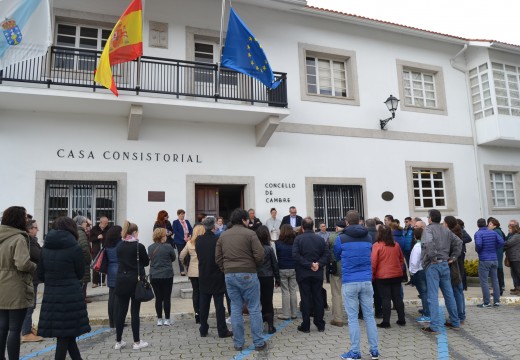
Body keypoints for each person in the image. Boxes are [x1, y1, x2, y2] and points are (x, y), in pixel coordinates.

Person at [37, 216, 91, 360]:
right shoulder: (75, 247)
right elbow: (80, 273)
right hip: (71, 295)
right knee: (65, 335)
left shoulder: (45, 248)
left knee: (67, 335)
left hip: (51, 295)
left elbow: (40, 274)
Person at [215, 208, 266, 352]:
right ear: (244, 220)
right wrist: (253, 265)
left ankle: (238, 344)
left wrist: (225, 269)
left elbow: (218, 258)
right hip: (248, 273)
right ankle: (259, 343)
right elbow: (260, 254)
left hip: (230, 274)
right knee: (254, 308)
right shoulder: (250, 234)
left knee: (236, 308)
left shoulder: (223, 235)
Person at [334, 210, 379, 360]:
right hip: (366, 280)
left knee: (353, 318)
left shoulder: (341, 238)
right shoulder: (368, 237)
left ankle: (355, 352)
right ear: (360, 221)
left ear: (346, 222)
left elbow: (336, 255)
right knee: (369, 316)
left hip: (350, 281)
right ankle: (374, 351)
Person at [0, 206, 37, 360]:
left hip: (1, 287)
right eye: (24, 217)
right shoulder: (19, 238)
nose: (26, 220)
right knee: (15, 329)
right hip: (15, 287)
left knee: (2, 327)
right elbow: (22, 263)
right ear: (17, 219)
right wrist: (34, 266)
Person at [421, 209, 462, 334]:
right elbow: (459, 242)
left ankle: (434, 326)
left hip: (433, 265)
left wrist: (433, 257)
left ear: (430, 218)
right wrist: (453, 257)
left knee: (432, 296)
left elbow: (428, 243)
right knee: (449, 294)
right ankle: (455, 322)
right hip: (445, 264)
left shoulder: (428, 229)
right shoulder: (446, 230)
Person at [114, 221, 150, 350]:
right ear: (134, 232)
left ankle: (118, 341)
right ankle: (136, 342)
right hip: (135, 281)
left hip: (121, 280)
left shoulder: (120, 245)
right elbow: (145, 262)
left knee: (121, 311)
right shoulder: (138, 246)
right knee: (135, 312)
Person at [195, 217, 232, 338]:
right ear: (213, 227)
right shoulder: (217, 239)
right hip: (217, 275)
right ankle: (222, 330)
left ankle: (203, 329)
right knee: (219, 306)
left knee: (204, 305)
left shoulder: (198, 240)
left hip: (204, 275)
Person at [293, 216, 329, 333]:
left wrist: (310, 264)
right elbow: (326, 255)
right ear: (313, 227)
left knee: (305, 298)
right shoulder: (320, 239)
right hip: (317, 273)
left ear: (302, 227)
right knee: (318, 298)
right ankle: (320, 324)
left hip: (304, 274)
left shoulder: (298, 239)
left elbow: (296, 256)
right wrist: (317, 264)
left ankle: (306, 325)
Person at [371, 225, 406, 328]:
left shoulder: (377, 245)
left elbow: (373, 262)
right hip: (396, 275)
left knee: (385, 298)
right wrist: (398, 268)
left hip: (382, 276)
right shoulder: (396, 245)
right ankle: (402, 319)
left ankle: (386, 321)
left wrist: (372, 275)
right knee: (397, 298)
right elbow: (401, 259)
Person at [148, 228, 176, 326]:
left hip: (154, 275)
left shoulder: (150, 247)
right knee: (167, 298)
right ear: (162, 236)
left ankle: (159, 319)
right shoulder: (168, 247)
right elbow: (173, 258)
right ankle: (167, 319)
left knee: (158, 298)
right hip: (167, 275)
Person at [256, 225, 280, 334]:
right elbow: (275, 264)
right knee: (268, 300)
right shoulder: (269, 249)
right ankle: (270, 325)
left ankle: (259, 324)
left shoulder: (255, 249)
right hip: (268, 277)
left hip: (257, 277)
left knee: (258, 301)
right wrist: (277, 279)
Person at [475, 218, 504, 308]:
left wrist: (478, 251)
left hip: (484, 259)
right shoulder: (493, 232)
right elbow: (502, 242)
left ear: (477, 225)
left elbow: (479, 245)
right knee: (495, 280)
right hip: (494, 259)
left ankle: (487, 302)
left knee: (484, 282)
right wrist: (494, 248)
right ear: (486, 224)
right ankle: (496, 301)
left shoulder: (478, 233)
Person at [180, 225, 204, 324]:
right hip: (203, 271)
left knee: (195, 292)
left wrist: (186, 266)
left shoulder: (189, 243)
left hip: (193, 271)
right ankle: (203, 312)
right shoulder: (204, 242)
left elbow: (181, 256)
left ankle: (197, 313)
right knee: (203, 293)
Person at [444, 216, 466, 323]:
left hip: (453, 267)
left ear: (447, 224)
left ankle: (459, 315)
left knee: (456, 291)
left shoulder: (451, 236)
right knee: (459, 291)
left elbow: (457, 247)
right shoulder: (457, 232)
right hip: (458, 265)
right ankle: (461, 314)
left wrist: (452, 258)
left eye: (444, 223)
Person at [275, 224, 298, 320]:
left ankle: (286, 314)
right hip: (293, 268)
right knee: (293, 291)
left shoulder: (278, 243)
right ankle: (294, 313)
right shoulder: (295, 242)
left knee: (285, 292)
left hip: (282, 268)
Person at [409, 226, 430, 323]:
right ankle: (427, 310)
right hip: (427, 270)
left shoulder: (417, 247)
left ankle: (427, 314)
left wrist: (412, 273)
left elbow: (414, 261)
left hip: (419, 271)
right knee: (427, 292)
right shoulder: (427, 244)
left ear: (414, 236)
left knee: (423, 293)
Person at [328, 220, 346, 327]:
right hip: (349, 268)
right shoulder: (350, 236)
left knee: (336, 294)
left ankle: (338, 318)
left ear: (336, 228)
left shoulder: (332, 237)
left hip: (336, 269)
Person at [104, 225, 123, 329]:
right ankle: (117, 321)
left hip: (110, 270)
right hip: (119, 270)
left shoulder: (107, 244)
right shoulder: (120, 244)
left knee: (111, 297)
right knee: (118, 298)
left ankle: (112, 322)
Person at [73, 216, 92, 303]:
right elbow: (85, 249)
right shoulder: (81, 233)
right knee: (83, 281)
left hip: (78, 261)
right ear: (81, 223)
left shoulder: (75, 232)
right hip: (83, 262)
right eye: (85, 222)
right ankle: (81, 298)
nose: (86, 224)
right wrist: (89, 260)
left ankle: (82, 297)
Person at [89, 216, 111, 287]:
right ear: (101, 222)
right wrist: (97, 237)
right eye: (105, 223)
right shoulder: (94, 229)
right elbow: (90, 239)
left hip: (105, 248)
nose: (106, 224)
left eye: (107, 223)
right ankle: (95, 282)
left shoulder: (109, 228)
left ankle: (103, 280)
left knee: (104, 264)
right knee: (96, 265)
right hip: (96, 249)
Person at [487, 217, 506, 296]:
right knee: (498, 272)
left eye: (490, 224)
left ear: (495, 225)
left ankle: (499, 291)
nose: (488, 225)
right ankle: (499, 289)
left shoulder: (496, 231)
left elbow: (500, 243)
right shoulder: (497, 231)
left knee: (497, 273)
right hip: (497, 254)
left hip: (496, 255)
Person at [172, 209, 192, 276]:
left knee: (188, 254)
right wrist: (184, 239)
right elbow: (175, 231)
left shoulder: (187, 221)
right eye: (181, 214)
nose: (183, 215)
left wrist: (190, 236)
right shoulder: (175, 222)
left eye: (183, 214)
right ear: (178, 215)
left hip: (188, 240)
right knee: (181, 255)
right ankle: (182, 270)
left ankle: (188, 268)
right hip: (179, 241)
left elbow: (191, 229)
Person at [456, 218, 473, 290]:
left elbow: (469, 238)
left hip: (461, 252)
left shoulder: (462, 230)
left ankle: (464, 285)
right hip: (458, 251)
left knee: (461, 268)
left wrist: (459, 241)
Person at [505, 222, 520, 295]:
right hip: (512, 257)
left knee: (518, 273)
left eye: (510, 228)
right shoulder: (512, 235)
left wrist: (503, 242)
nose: (508, 230)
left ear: (514, 228)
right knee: (514, 274)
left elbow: (508, 243)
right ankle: (517, 288)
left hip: (516, 258)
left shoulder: (517, 236)